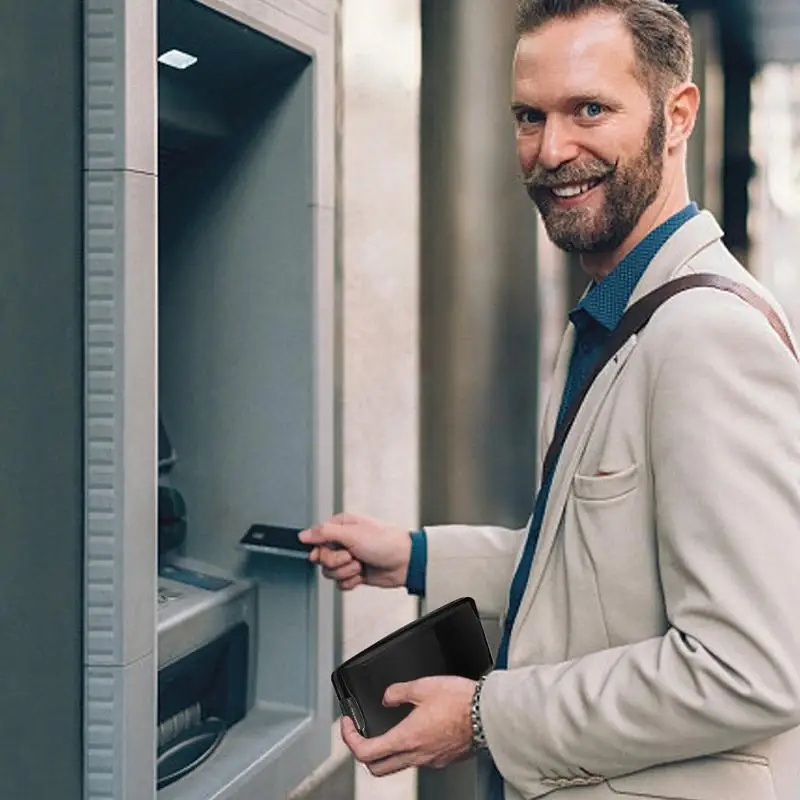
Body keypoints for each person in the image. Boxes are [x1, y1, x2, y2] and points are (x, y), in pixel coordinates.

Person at [300, 1, 800, 797]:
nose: (552, 150)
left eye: (589, 109)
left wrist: (484, 717)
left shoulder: (706, 336)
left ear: (679, 115)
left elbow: (751, 668)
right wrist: (417, 555)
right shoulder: (614, 316)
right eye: (529, 116)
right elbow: (595, 567)